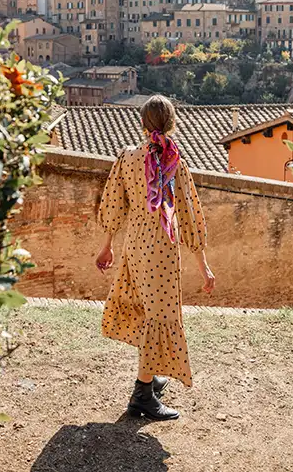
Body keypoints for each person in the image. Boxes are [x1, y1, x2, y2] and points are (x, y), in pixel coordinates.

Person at [95, 95, 216, 421]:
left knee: (146, 310)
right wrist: (203, 265)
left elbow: (113, 205)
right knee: (159, 316)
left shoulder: (127, 158)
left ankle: (151, 374)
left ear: (142, 123)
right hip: (162, 250)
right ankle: (142, 396)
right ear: (171, 123)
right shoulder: (174, 162)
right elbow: (189, 216)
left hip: (135, 246)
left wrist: (108, 246)